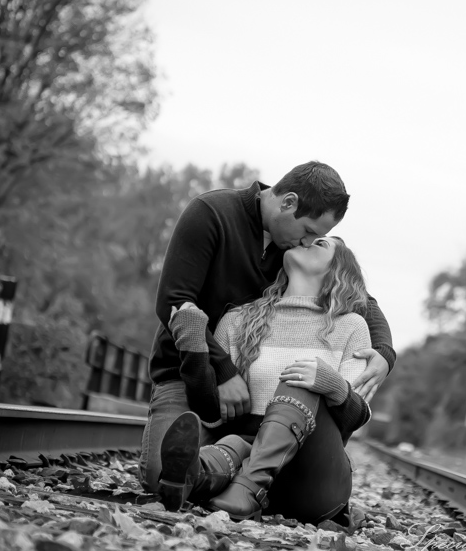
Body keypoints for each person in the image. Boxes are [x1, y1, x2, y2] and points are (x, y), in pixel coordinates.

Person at [139, 161, 396, 494]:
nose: (307, 242)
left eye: (318, 239)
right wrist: (223, 370)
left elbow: (359, 295)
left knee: (242, 457)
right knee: (163, 474)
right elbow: (173, 300)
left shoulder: (292, 252)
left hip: (247, 397)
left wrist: (385, 353)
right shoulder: (211, 213)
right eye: (308, 232)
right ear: (287, 203)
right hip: (186, 375)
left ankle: (240, 483)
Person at [158, 235, 373, 523]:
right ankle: (193, 475)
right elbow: (210, 414)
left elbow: (356, 418)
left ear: (338, 270)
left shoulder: (351, 327)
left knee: (300, 378)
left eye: (321, 244)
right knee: (234, 444)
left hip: (313, 480)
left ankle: (245, 488)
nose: (307, 241)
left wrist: (331, 383)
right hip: (242, 468)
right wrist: (194, 346)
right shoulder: (238, 321)